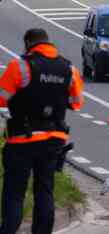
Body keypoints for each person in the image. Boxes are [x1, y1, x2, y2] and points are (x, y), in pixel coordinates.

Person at [0, 28, 83, 234]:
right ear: (48, 43)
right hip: (54, 139)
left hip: (22, 139)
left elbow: (2, 97)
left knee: (14, 193)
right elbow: (76, 103)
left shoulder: (21, 65)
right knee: (45, 190)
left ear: (28, 43)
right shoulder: (68, 68)